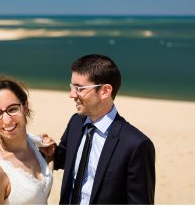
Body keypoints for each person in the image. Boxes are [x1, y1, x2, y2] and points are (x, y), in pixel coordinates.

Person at [40, 54, 155, 205]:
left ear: (105, 91)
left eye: (79, 88)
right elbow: (63, 159)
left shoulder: (136, 145)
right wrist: (49, 151)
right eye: (72, 87)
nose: (71, 94)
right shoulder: (76, 122)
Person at [0, 77, 53, 204]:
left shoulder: (34, 145)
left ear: (25, 107)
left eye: (12, 109)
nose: (6, 120)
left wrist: (49, 158)